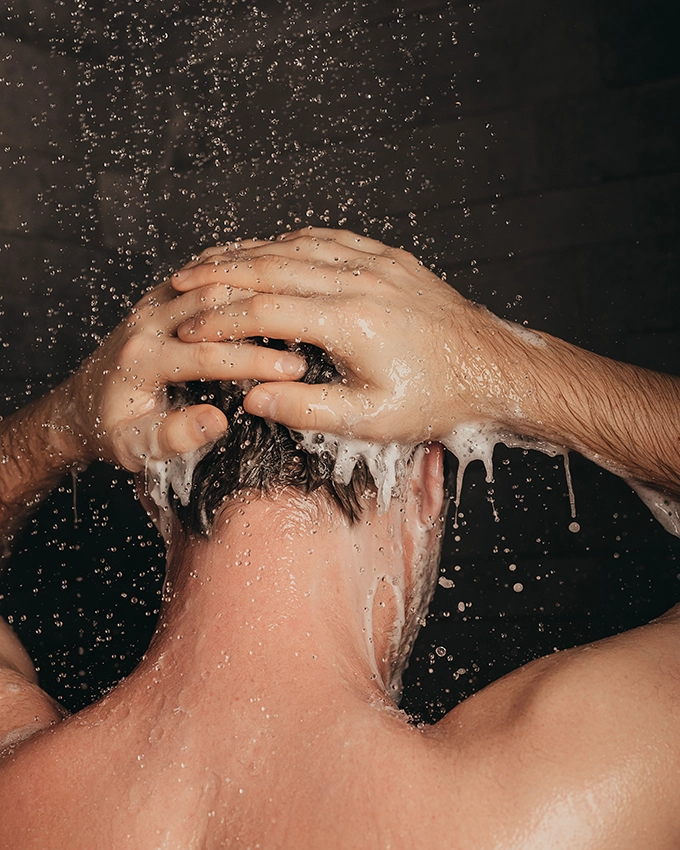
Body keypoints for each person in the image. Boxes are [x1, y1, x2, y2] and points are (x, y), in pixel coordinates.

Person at [0, 229, 678, 848]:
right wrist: (499, 365)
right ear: (427, 486)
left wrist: (57, 428)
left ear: (153, 488)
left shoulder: (16, 787)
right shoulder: (543, 803)